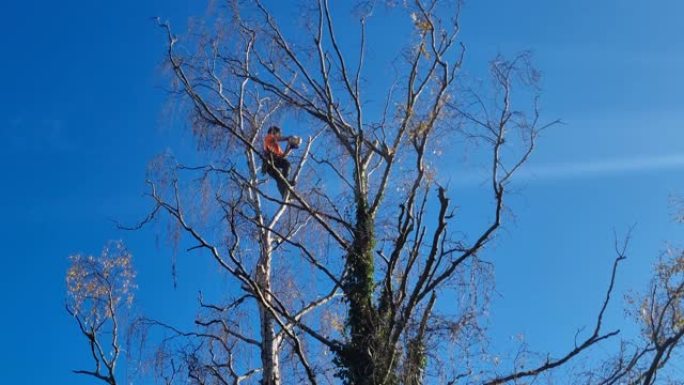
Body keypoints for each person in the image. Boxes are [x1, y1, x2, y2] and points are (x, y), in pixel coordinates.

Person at [263, 126, 295, 199]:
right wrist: (288, 138)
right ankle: (285, 183)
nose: (279, 135)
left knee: (280, 177)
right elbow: (276, 138)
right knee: (285, 167)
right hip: (270, 161)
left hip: (275, 162)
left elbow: (283, 156)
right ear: (273, 131)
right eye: (278, 133)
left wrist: (290, 147)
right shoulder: (268, 137)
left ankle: (285, 194)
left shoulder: (276, 147)